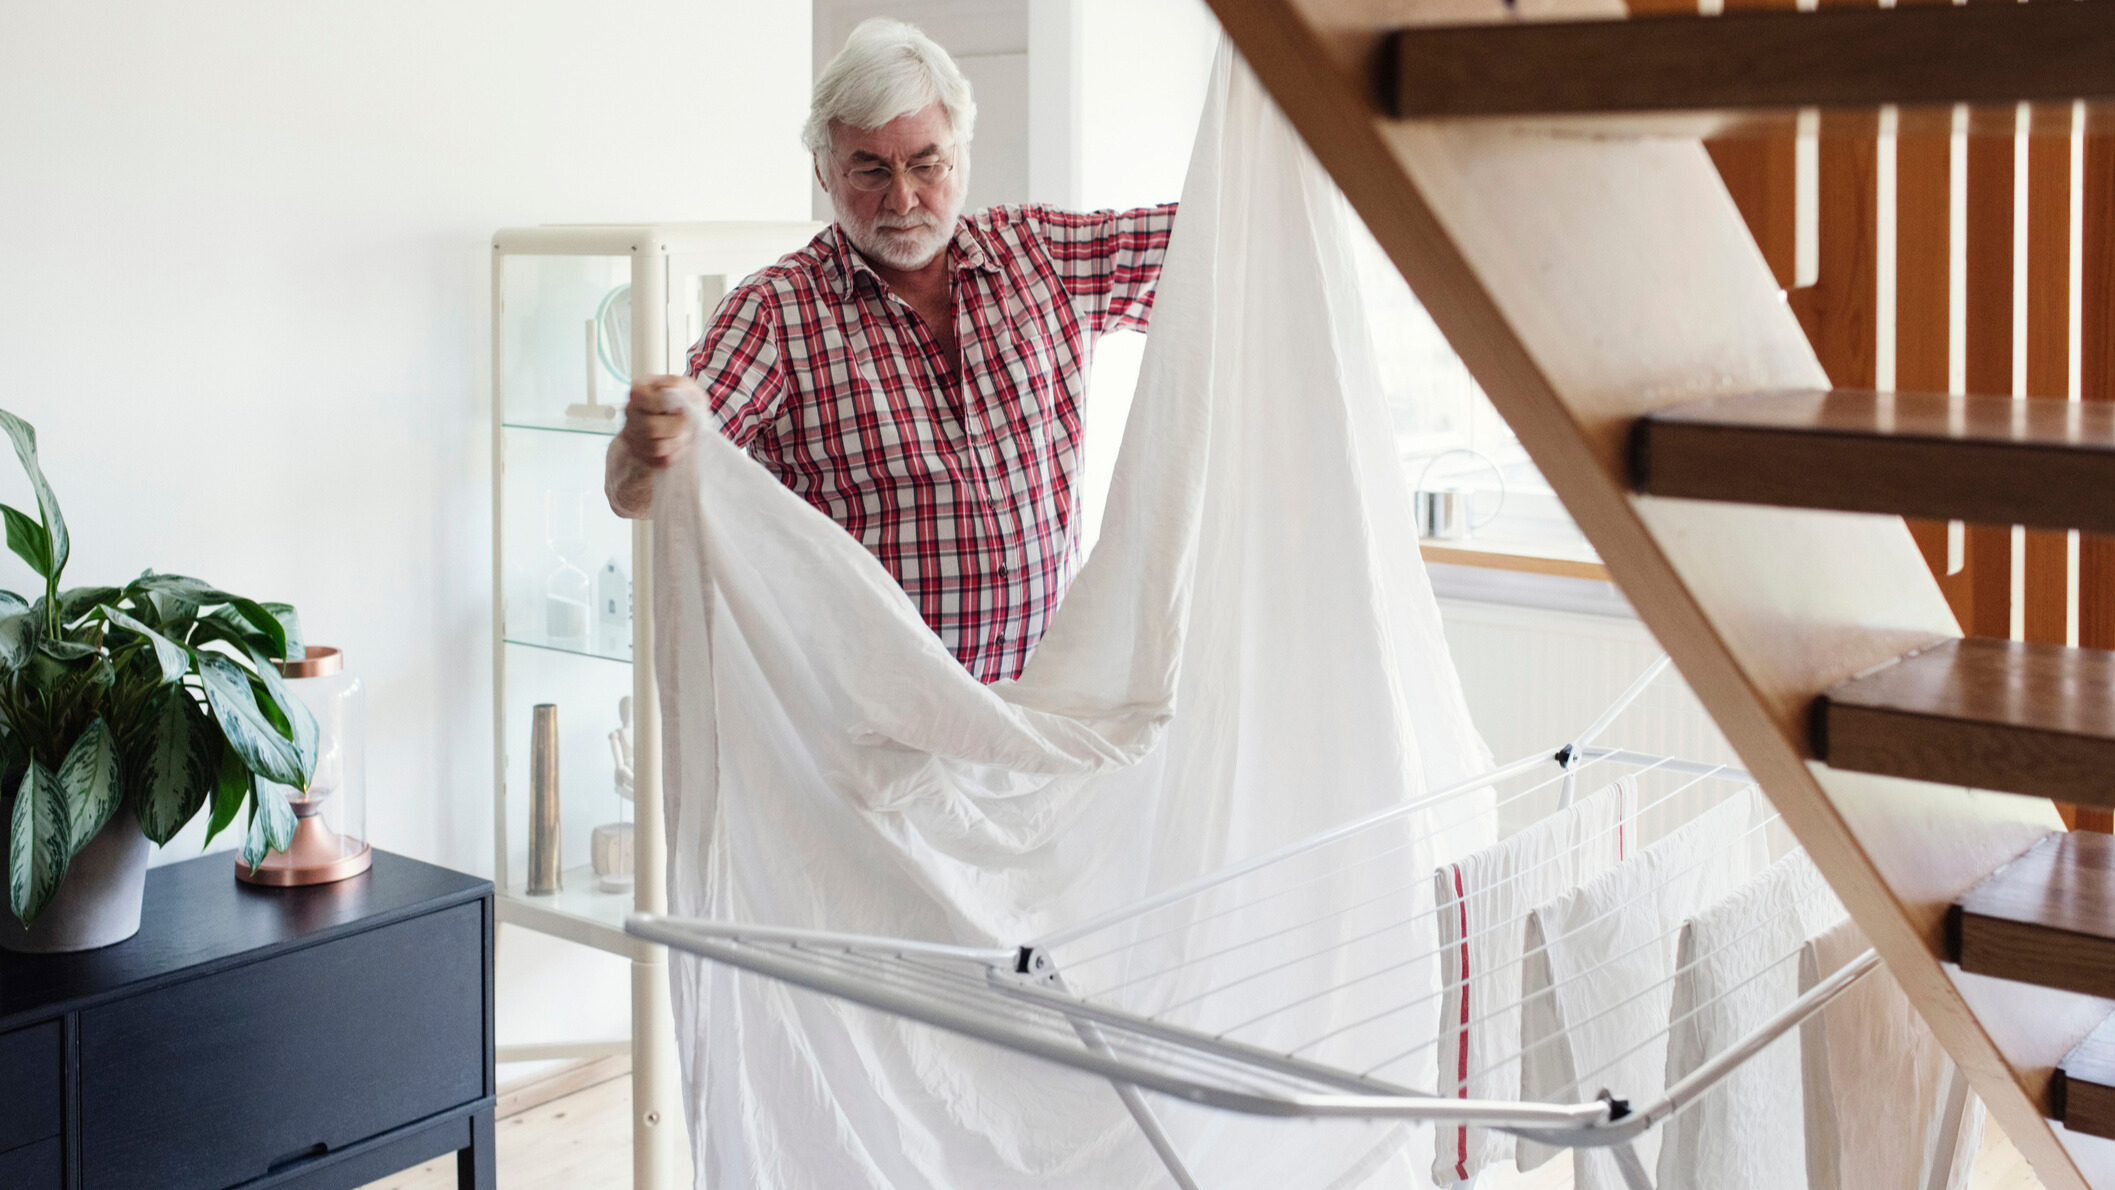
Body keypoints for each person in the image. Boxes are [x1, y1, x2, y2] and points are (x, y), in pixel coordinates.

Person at [606, 18, 1174, 683]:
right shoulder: (776, 313)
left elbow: (1214, 242)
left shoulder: (1039, 253)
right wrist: (647, 441)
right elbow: (634, 493)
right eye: (871, 169)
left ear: (960, 153)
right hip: (874, 746)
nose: (903, 198)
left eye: (925, 164)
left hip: (1037, 719)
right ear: (823, 169)